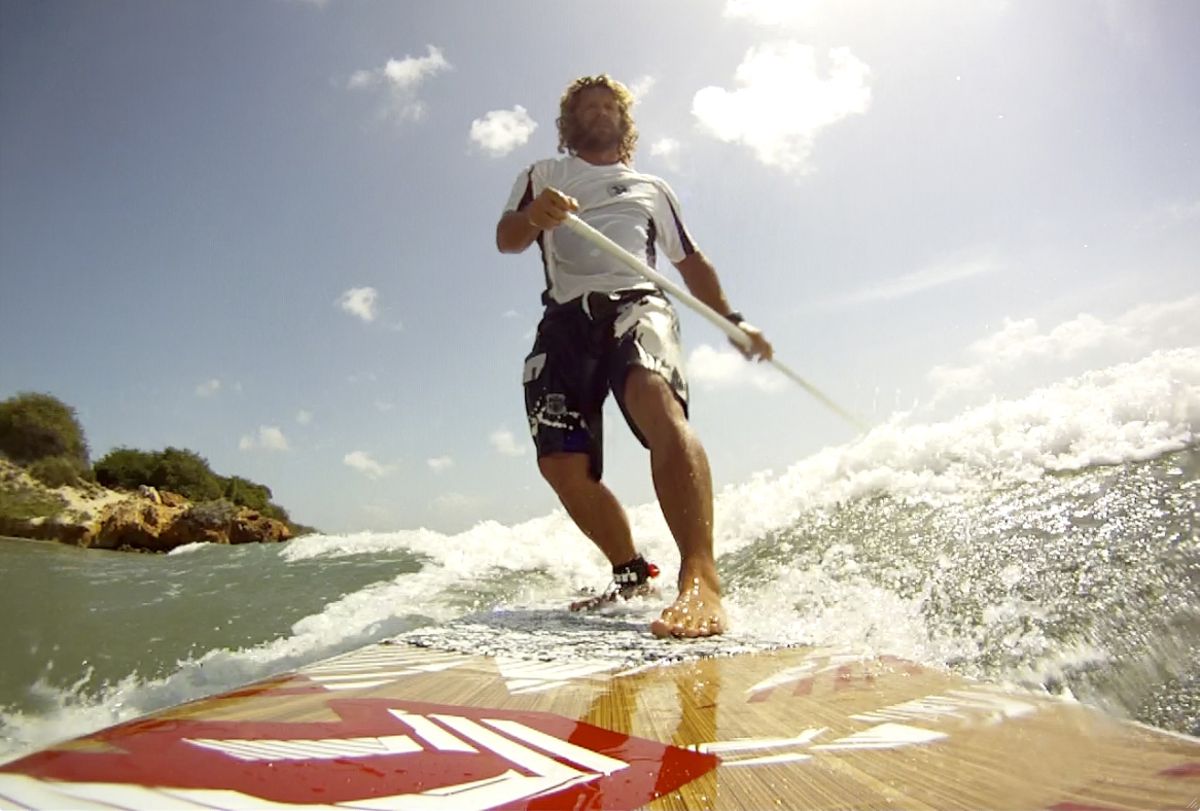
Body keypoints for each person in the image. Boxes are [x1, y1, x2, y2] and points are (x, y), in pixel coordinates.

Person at [495, 74, 773, 638]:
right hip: (565, 320)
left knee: (654, 397)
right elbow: (507, 237)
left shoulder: (651, 188)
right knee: (561, 466)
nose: (598, 113)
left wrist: (732, 319)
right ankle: (629, 573)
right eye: (586, 107)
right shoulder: (541, 176)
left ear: (624, 124)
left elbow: (690, 263)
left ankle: (700, 577)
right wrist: (534, 218)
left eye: (608, 106)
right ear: (569, 125)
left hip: (637, 305)